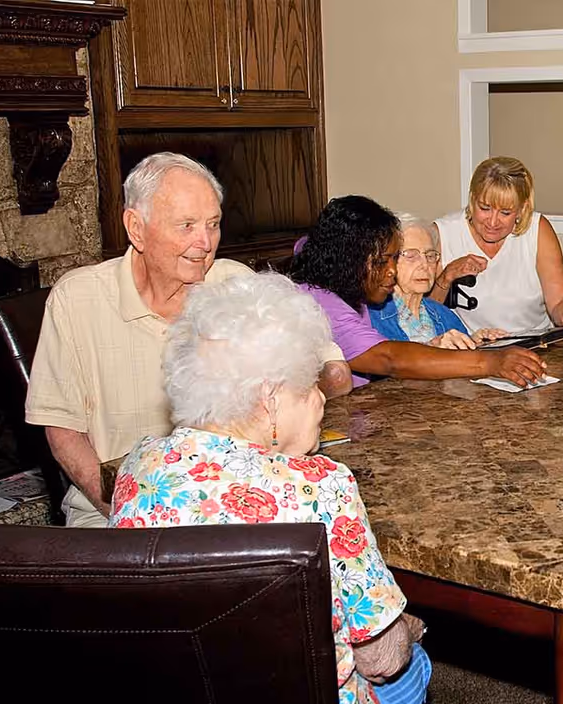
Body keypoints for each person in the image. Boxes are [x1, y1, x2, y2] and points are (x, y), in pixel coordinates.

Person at [109, 272, 429, 704]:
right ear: (271, 400)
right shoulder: (322, 488)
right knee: (411, 661)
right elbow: (379, 658)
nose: (323, 400)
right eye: (311, 385)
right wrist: (411, 626)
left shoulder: (139, 466)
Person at [24, 152, 352, 528]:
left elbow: (335, 373)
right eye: (187, 225)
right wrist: (122, 507)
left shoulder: (234, 283)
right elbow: (62, 430)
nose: (205, 242)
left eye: (213, 224)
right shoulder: (77, 299)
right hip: (115, 510)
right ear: (135, 227)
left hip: (240, 498)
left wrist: (291, 402)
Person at [288, 195, 548, 388]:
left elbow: (309, 245)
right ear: (348, 260)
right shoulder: (322, 306)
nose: (391, 271)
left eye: (394, 259)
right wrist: (491, 362)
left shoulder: (327, 271)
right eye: (382, 261)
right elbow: (388, 359)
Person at [430, 156, 563, 334]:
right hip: (473, 350)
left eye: (505, 212)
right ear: (472, 199)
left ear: (522, 209)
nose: (493, 222)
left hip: (533, 345)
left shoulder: (537, 230)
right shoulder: (444, 233)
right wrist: (447, 276)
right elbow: (421, 315)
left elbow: (560, 300)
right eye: (485, 208)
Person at [368, 213, 505, 348]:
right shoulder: (369, 315)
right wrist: (431, 348)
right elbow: (385, 364)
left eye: (430, 255)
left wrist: (474, 343)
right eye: (411, 255)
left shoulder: (444, 314)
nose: (425, 264)